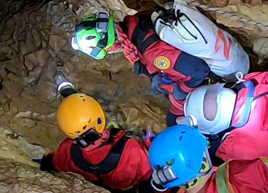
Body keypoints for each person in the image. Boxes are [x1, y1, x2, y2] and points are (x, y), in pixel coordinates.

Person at [70, 9, 211, 124]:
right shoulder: (135, 23)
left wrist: (179, 91)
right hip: (180, 71)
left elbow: (199, 71)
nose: (110, 51)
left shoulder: (153, 53)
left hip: (199, 85)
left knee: (174, 124)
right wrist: (154, 76)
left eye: (107, 49)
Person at [37, 75, 153, 193]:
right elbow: (151, 179)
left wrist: (46, 161)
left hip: (103, 187)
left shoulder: (66, 150)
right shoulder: (132, 149)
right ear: (100, 119)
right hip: (127, 188)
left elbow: (54, 164)